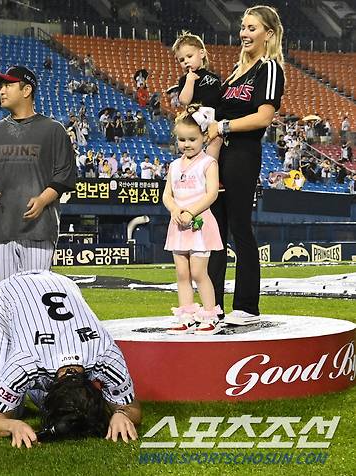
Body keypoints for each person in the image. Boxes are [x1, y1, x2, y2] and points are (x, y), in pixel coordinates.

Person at [0, 270, 141, 448]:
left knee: (20, 397)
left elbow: (132, 408)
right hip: (7, 294)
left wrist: (122, 414)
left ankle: (16, 381)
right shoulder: (26, 362)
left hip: (62, 282)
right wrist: (12, 425)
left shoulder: (106, 354)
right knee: (14, 411)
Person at [207, 5, 285, 325]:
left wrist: (223, 127)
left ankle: (247, 307)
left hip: (243, 154)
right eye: (243, 27)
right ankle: (213, 307)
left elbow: (264, 117)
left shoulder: (268, 69)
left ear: (268, 34)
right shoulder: (234, 73)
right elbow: (214, 117)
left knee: (240, 229)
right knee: (214, 235)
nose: (244, 33)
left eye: (252, 28)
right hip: (220, 156)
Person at [0, 65, 77, 285]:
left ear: (27, 90)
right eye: (1, 86)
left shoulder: (53, 130)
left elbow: (64, 175)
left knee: (36, 302)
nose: (1, 90)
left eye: (8, 85)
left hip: (38, 229)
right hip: (1, 230)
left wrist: (42, 200)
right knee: (2, 299)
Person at [163, 105, 223, 334]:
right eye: (182, 139)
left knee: (199, 273)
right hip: (178, 226)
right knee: (182, 273)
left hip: (199, 225)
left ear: (203, 138)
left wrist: (191, 212)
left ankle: (210, 316)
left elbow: (211, 194)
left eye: (192, 139)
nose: (187, 144)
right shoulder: (174, 166)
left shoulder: (209, 163)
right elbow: (167, 195)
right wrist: (175, 210)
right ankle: (186, 315)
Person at [172, 31, 222, 158]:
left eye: (189, 56)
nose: (186, 62)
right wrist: (189, 81)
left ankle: (210, 167)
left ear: (202, 53)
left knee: (216, 141)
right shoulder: (185, 79)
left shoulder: (214, 77)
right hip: (195, 118)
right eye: (182, 60)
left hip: (213, 118)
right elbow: (184, 100)